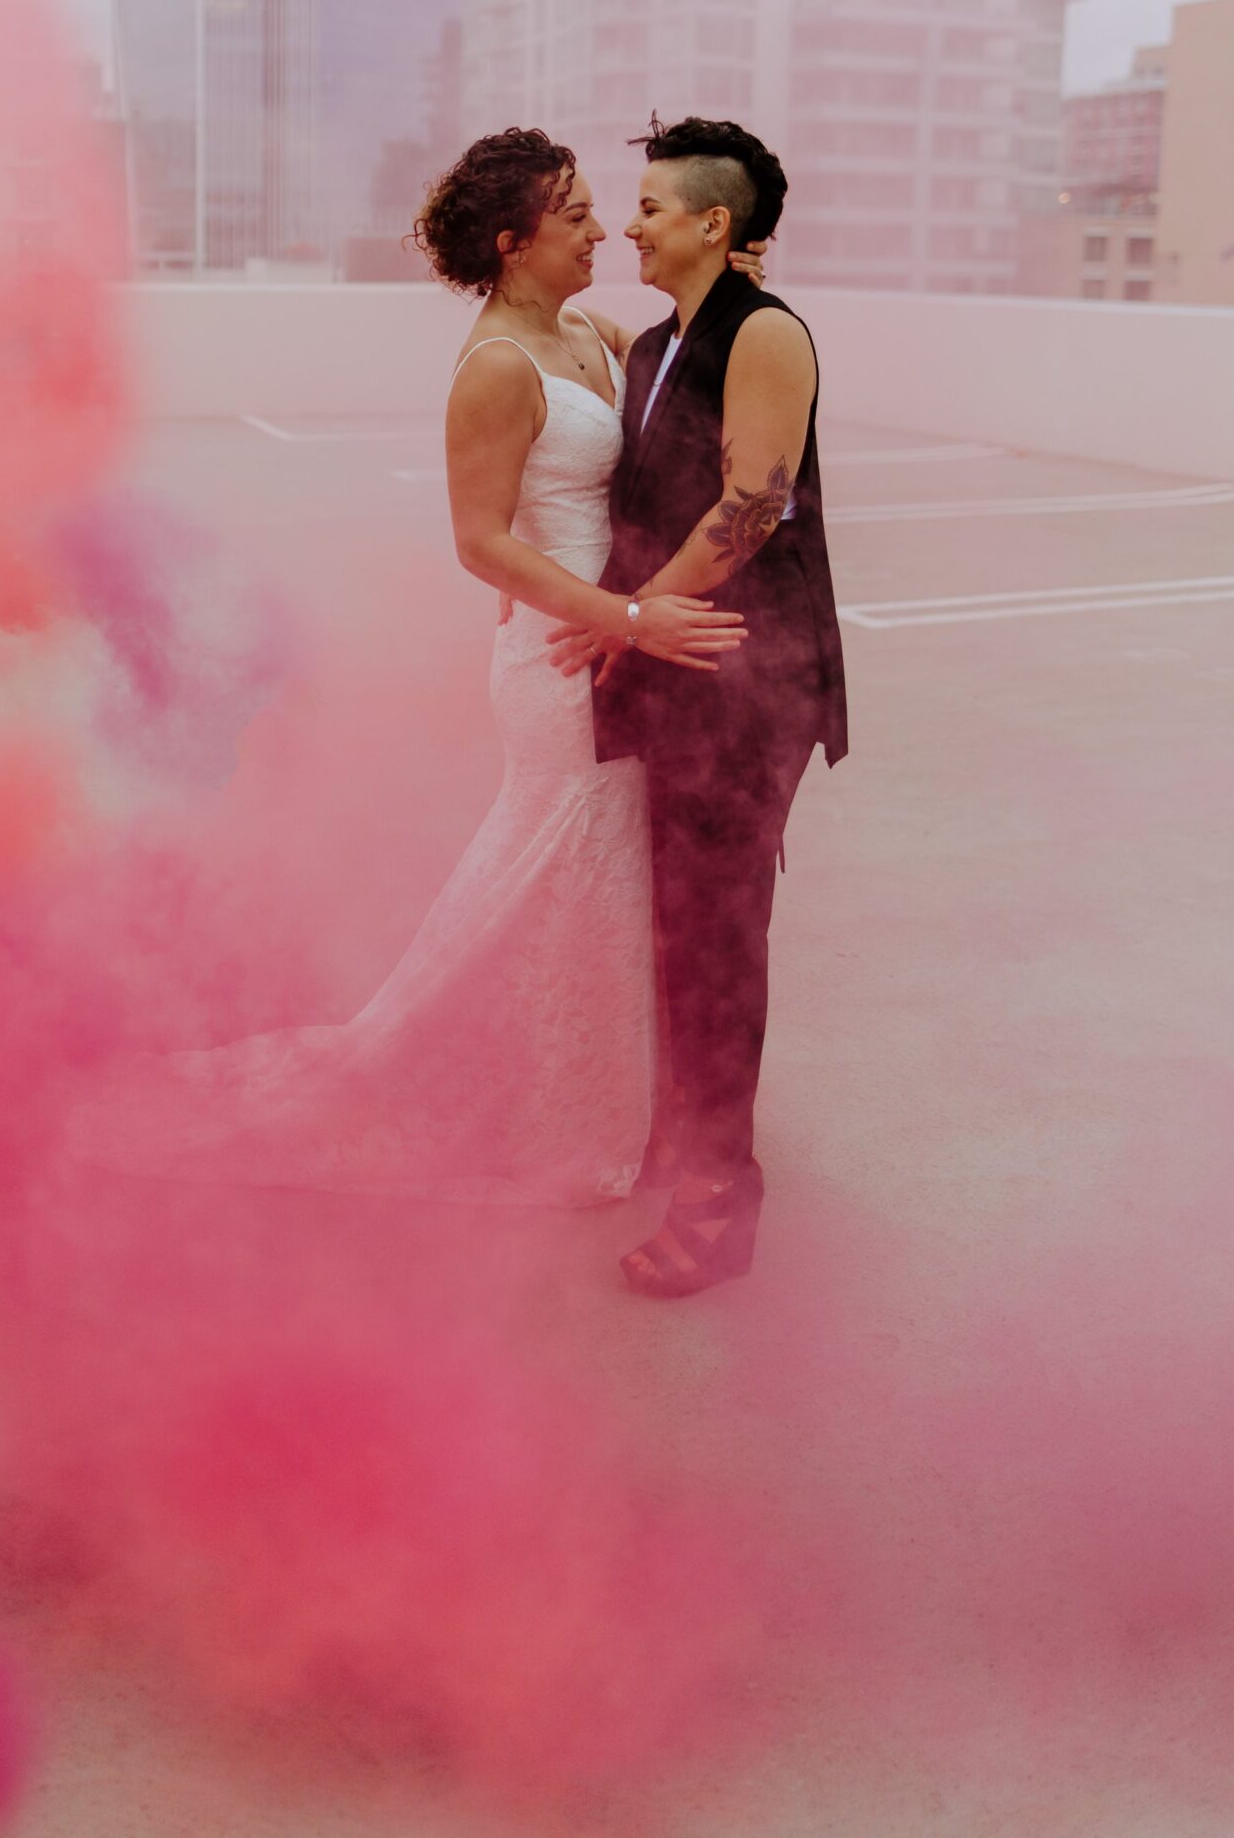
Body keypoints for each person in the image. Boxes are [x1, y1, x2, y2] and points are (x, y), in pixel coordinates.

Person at [69, 129, 746, 1204]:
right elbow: (481, 541)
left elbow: (679, 382)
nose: (594, 228)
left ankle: (594, 1090)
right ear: (514, 240)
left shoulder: (592, 332)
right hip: (562, 652)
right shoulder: (492, 368)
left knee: (588, 882)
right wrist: (619, 614)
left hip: (610, 636)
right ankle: (506, 1092)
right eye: (570, 213)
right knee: (559, 862)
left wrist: (729, 278)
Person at [549, 117, 848, 1299]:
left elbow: (750, 509)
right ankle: (685, 1132)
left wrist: (627, 617)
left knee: (718, 938)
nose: (632, 223)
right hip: (681, 675)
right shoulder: (661, 340)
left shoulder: (767, 333)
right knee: (679, 928)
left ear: (713, 224)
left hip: (746, 680)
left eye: (653, 208)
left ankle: (724, 1197)